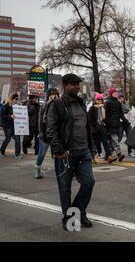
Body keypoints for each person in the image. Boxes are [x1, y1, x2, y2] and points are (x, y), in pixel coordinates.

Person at [46, 74, 96, 230]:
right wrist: (59, 150)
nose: (76, 86)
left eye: (77, 84)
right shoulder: (57, 105)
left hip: (84, 152)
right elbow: (51, 129)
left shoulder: (81, 103)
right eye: (73, 84)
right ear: (65, 85)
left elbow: (87, 128)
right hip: (66, 154)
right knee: (65, 188)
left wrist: (92, 147)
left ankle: (79, 213)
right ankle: (68, 218)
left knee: (89, 182)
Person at [35, 88, 60, 179]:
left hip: (55, 133)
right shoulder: (45, 105)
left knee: (57, 152)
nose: (55, 96)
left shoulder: (59, 104)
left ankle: (60, 171)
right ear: (49, 95)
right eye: (53, 94)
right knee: (42, 152)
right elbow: (40, 120)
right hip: (45, 133)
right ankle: (37, 169)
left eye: (56, 94)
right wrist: (40, 132)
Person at [105, 86, 129, 162]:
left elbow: (121, 114)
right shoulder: (107, 103)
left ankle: (110, 155)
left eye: (116, 92)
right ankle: (119, 155)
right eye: (114, 92)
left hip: (118, 124)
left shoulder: (118, 103)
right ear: (111, 94)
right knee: (114, 140)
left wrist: (126, 121)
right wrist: (106, 124)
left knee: (116, 140)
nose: (116, 93)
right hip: (110, 125)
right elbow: (105, 115)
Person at [88, 94, 113, 162]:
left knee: (105, 142)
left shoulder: (103, 108)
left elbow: (106, 118)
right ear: (95, 100)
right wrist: (93, 126)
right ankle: (91, 156)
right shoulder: (92, 108)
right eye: (98, 99)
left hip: (102, 127)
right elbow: (90, 119)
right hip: (95, 129)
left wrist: (107, 126)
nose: (100, 101)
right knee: (95, 144)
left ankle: (109, 156)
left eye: (101, 99)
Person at [0, 93, 22, 159]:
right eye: (16, 99)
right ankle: (2, 151)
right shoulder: (6, 106)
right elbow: (2, 116)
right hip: (8, 126)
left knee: (18, 140)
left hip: (16, 125)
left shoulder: (18, 106)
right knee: (8, 139)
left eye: (18, 99)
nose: (17, 100)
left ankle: (17, 154)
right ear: (12, 99)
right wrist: (10, 116)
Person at [118, 92, 133, 157]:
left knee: (130, 137)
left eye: (122, 97)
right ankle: (114, 150)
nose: (121, 99)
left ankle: (130, 152)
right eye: (120, 98)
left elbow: (129, 111)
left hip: (127, 122)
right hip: (121, 122)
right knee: (119, 137)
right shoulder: (118, 104)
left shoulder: (127, 103)